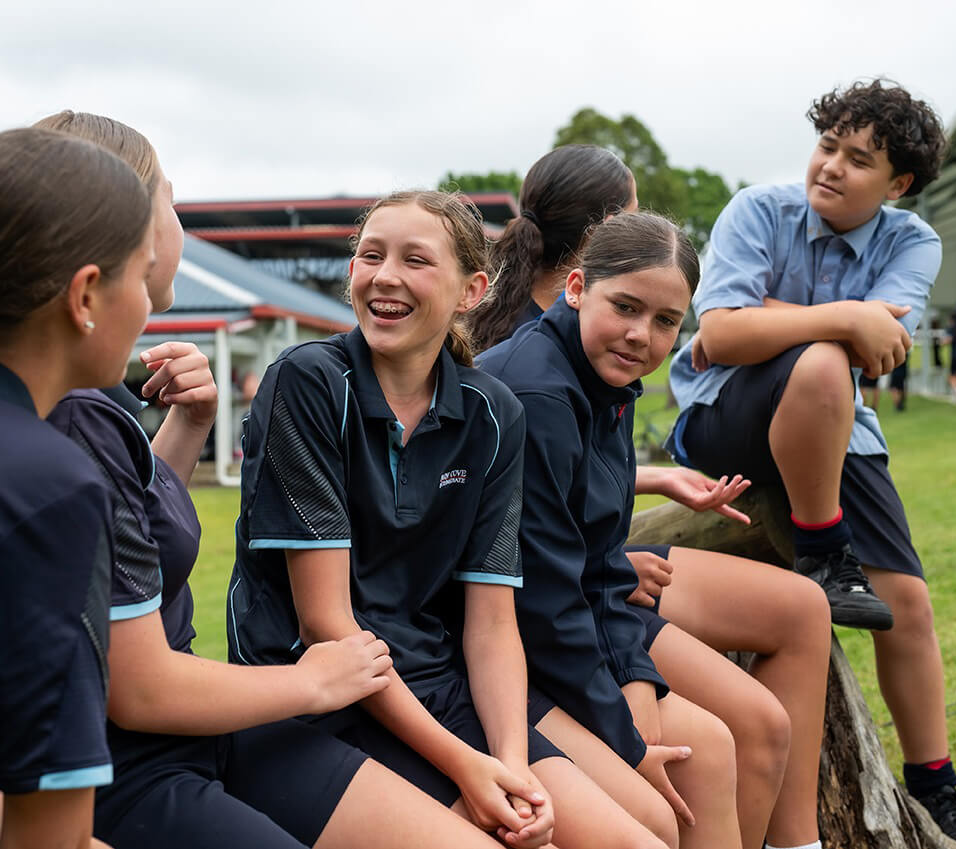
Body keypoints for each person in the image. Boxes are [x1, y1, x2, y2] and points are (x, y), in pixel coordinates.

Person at [38, 112, 503, 849]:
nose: (384, 278)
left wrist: (189, 426)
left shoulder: (88, 409)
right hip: (145, 753)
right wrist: (314, 681)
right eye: (170, 197)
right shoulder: (85, 416)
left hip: (208, 729)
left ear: (471, 290)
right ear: (123, 233)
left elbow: (125, 535)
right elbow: (139, 684)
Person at [228, 190, 681, 849]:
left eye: (415, 259)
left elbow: (493, 625)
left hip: (438, 688)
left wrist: (514, 770)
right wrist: (469, 767)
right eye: (370, 255)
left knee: (648, 835)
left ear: (472, 289)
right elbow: (326, 625)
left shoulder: (493, 412)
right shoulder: (310, 384)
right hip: (311, 704)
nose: (384, 275)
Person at [667, 79, 956, 845]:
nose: (830, 166)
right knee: (825, 360)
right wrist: (842, 317)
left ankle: (935, 785)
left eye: (858, 158)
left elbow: (882, 351)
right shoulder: (757, 212)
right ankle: (824, 549)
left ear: (898, 184)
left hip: (837, 426)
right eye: (827, 145)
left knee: (906, 605)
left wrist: (766, 319)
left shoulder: (912, 241)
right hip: (725, 414)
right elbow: (721, 340)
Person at [479, 212, 832, 849]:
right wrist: (625, 716)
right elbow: (546, 597)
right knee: (703, 755)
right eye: (626, 306)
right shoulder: (540, 393)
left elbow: (603, 561)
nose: (642, 335)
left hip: (581, 610)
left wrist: (635, 682)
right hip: (504, 634)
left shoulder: (603, 377)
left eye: (666, 321)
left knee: (752, 728)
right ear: (578, 287)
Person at [0, 126, 154, 849]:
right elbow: (50, 835)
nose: (146, 302)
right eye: (140, 275)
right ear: (84, 295)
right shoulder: (47, 486)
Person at [465, 144, 637, 351]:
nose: (636, 232)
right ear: (605, 230)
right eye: (632, 219)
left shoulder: (481, 313)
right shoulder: (564, 346)